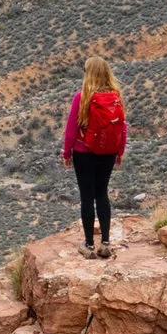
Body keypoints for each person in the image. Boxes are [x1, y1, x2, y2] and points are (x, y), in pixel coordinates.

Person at [61, 50, 128, 257]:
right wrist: (119, 151)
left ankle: (89, 245)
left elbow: (71, 129)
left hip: (84, 152)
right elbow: (122, 127)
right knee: (102, 194)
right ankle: (106, 244)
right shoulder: (115, 97)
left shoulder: (82, 98)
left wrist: (66, 153)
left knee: (87, 197)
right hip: (108, 152)